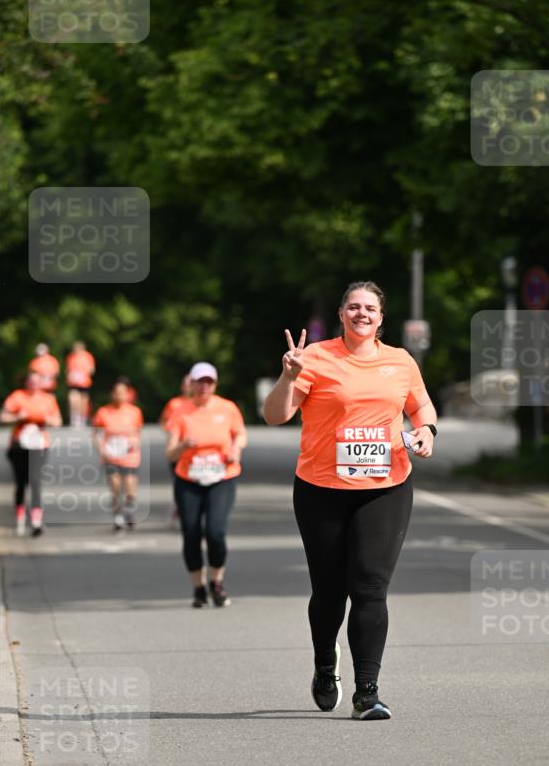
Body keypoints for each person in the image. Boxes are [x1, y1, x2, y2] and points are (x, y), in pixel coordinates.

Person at [263, 281, 437, 720]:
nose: (362, 314)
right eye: (354, 307)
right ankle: (326, 664)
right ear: (341, 314)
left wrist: (426, 432)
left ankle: (367, 692)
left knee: (370, 588)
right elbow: (275, 415)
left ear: (381, 318)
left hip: (386, 487)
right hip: (321, 489)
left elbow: (423, 408)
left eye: (371, 308)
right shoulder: (316, 357)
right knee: (329, 592)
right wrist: (288, 375)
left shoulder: (400, 361)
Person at [166, 362, 247, 609]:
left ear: (214, 384)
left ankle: (216, 582)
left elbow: (240, 434)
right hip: (188, 479)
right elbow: (170, 453)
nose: (204, 386)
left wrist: (236, 449)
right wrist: (183, 446)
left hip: (222, 477)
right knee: (191, 534)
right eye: (199, 382)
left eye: (209, 382)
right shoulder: (181, 411)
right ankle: (198, 587)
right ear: (191, 384)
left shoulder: (227, 408)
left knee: (215, 532)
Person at [0, 371, 63, 536]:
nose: (34, 384)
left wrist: (48, 420)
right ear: (26, 382)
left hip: (39, 445)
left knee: (35, 481)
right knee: (21, 482)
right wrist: (17, 417)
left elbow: (58, 420)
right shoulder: (17, 396)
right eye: (31, 381)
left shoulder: (48, 399)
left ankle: (36, 521)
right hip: (19, 446)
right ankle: (20, 518)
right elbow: (3, 416)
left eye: (37, 381)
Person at [92, 380, 144, 532]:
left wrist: (136, 443)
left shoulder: (134, 412)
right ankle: (117, 517)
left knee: (129, 486)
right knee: (115, 486)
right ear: (112, 394)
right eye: (116, 392)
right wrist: (101, 450)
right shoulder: (103, 412)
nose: (119, 395)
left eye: (122, 392)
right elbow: (95, 434)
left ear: (127, 394)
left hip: (130, 455)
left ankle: (129, 509)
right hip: (111, 455)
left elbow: (139, 433)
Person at [159, 374, 194, 524]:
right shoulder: (174, 404)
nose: (188, 387)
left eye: (190, 384)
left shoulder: (200, 404)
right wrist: (172, 433)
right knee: (180, 479)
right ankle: (179, 505)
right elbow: (163, 421)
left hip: (194, 451)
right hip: (178, 449)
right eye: (185, 384)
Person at [65, 341, 95, 427]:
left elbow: (92, 369)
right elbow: (68, 369)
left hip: (84, 383)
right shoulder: (71, 357)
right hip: (73, 383)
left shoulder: (88, 356)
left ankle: (83, 418)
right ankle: (74, 418)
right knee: (73, 399)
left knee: (83, 402)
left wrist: (83, 372)